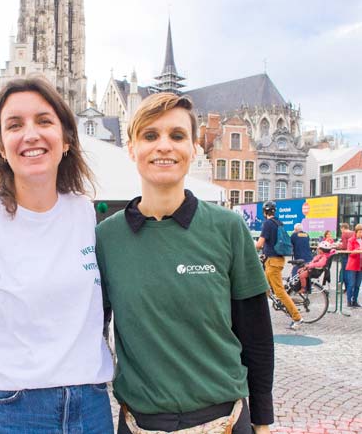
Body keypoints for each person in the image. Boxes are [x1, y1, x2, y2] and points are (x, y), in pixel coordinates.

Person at [0, 77, 114, 434]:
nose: (30, 134)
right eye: (15, 125)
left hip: (91, 403)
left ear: (66, 140)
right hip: (13, 409)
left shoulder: (83, 212)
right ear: (1, 146)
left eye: (44, 121)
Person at [96, 92, 274, 434]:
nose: (164, 145)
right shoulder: (107, 238)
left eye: (177, 136)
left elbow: (256, 333)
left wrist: (263, 422)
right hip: (139, 423)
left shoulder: (228, 227)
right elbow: (92, 330)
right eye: (150, 135)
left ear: (194, 148)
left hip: (224, 420)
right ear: (131, 149)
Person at [257, 201, 303, 330]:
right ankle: (259, 317)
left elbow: (259, 244)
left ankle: (297, 318)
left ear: (264, 212)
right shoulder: (278, 223)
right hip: (274, 260)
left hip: (273, 262)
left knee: (279, 291)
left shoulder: (267, 224)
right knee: (263, 289)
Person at [344, 225, 362, 307]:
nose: (361, 233)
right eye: (360, 232)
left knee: (358, 285)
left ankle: (355, 300)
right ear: (356, 232)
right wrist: (358, 250)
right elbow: (350, 252)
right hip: (353, 265)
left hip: (360, 265)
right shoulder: (351, 240)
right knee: (351, 284)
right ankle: (349, 300)